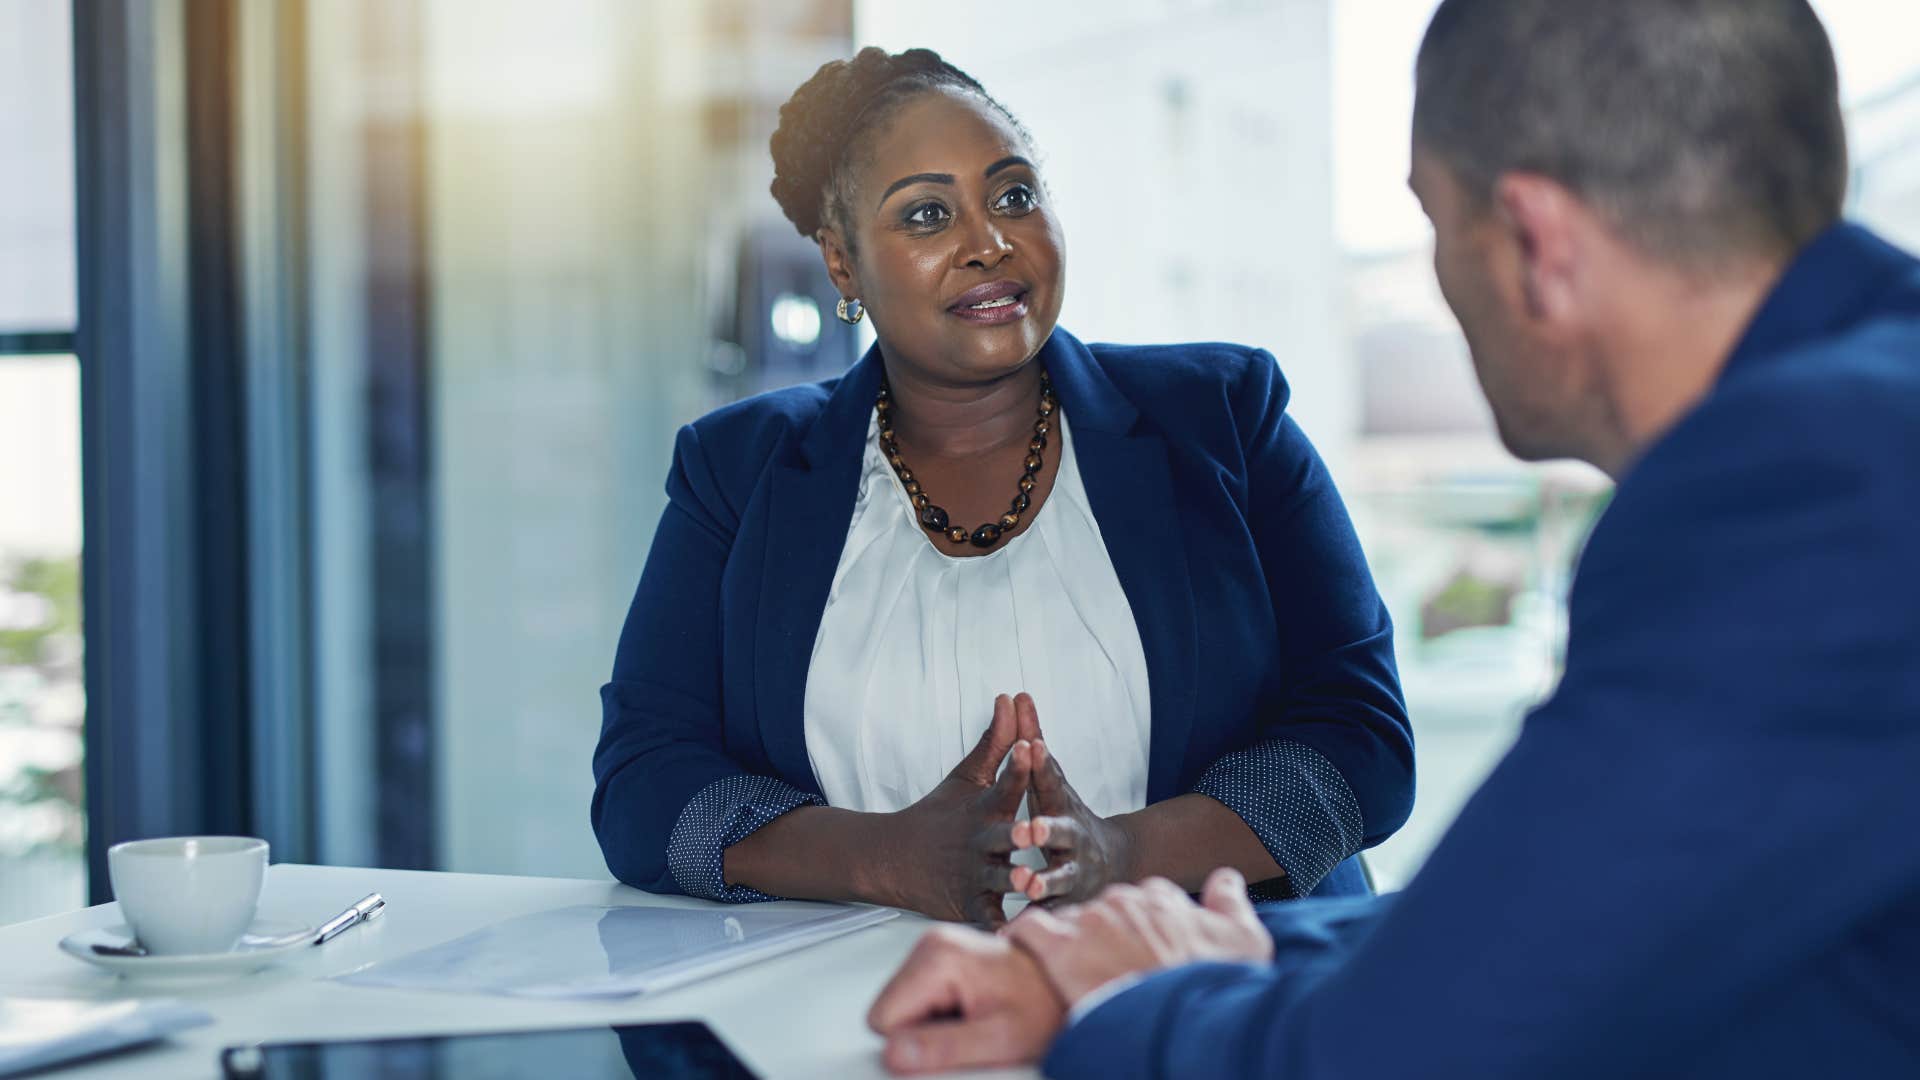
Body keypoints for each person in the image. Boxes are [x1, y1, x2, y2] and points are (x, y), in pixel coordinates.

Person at [865, 1, 1920, 1075]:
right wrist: (1221, 953)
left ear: (1533, 242)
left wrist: (1141, 1000)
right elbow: (1578, 921)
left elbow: (1399, 1057)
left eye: (1437, 222)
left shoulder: (1802, 486)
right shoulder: (1870, 420)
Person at [590, 47, 1416, 924]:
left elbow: (1360, 738)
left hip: (1206, 1008)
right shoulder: (738, 470)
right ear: (842, 264)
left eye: (1014, 196)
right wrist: (883, 859)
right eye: (927, 214)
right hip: (853, 1024)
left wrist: (1125, 853)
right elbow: (645, 782)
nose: (988, 242)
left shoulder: (1223, 418)